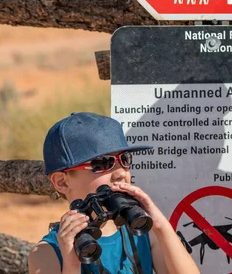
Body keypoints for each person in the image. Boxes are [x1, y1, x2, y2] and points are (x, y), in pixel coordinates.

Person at [28, 112, 199, 274]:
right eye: (102, 163)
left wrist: (160, 225)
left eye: (124, 159)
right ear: (62, 182)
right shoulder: (46, 253)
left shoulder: (142, 231)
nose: (121, 173)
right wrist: (72, 263)